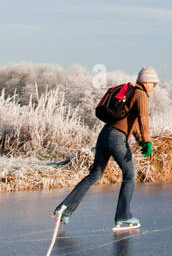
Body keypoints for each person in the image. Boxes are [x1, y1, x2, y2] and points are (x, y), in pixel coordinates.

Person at [52, 67, 157, 232]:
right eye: (152, 83)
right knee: (130, 175)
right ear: (146, 81)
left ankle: (64, 210)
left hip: (104, 135)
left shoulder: (130, 94)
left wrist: (141, 141)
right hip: (117, 138)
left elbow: (133, 124)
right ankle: (123, 216)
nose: (153, 87)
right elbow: (144, 117)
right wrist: (148, 141)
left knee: (95, 174)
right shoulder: (141, 93)